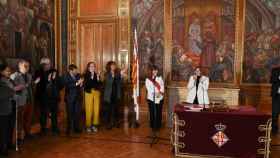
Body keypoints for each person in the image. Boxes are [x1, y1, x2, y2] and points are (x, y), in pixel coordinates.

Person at [0, 64, 23, 156]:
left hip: (12, 106)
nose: (9, 72)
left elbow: (17, 90)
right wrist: (14, 90)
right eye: (7, 71)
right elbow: (3, 94)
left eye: (9, 71)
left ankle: (8, 144)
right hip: (3, 108)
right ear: (1, 72)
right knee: (3, 130)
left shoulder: (11, 80)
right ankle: (2, 148)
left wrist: (18, 90)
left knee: (10, 127)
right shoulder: (1, 82)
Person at [10, 60, 33, 144]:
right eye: (25, 66)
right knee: (19, 120)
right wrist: (22, 87)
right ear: (20, 66)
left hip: (29, 100)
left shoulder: (29, 76)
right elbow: (12, 88)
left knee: (28, 118)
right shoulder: (14, 76)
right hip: (20, 101)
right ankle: (19, 137)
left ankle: (28, 133)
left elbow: (30, 87)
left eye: (28, 66)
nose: (27, 68)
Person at [103, 61, 124, 129]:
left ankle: (116, 123)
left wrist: (122, 77)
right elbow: (109, 82)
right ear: (109, 66)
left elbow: (120, 83)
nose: (113, 67)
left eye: (114, 65)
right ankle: (108, 124)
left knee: (116, 110)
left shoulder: (117, 73)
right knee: (108, 110)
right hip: (109, 95)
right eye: (112, 65)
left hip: (116, 94)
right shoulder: (106, 74)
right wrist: (115, 76)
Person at [34, 57, 52, 134]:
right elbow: (37, 84)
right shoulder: (38, 72)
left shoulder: (51, 72)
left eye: (49, 64)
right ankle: (43, 128)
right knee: (43, 113)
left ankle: (47, 127)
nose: (49, 65)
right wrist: (47, 80)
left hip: (50, 96)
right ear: (43, 65)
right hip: (41, 96)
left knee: (48, 112)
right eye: (48, 64)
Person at [64, 64, 83, 135]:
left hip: (77, 98)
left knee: (77, 114)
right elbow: (68, 85)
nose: (76, 71)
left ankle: (76, 128)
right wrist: (77, 83)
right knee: (69, 115)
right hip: (69, 99)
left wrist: (81, 84)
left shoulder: (78, 75)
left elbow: (81, 82)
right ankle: (68, 129)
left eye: (76, 70)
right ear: (70, 70)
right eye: (75, 70)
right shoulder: (66, 76)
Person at [145, 65, 164, 137]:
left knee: (159, 112)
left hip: (160, 98)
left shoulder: (160, 78)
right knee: (152, 112)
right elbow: (149, 89)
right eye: (154, 70)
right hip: (151, 98)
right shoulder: (148, 79)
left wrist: (160, 93)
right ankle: (153, 126)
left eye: (156, 70)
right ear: (151, 71)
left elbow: (162, 86)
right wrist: (156, 93)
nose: (155, 71)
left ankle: (158, 126)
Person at [84, 62, 102, 133]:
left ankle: (95, 125)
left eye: (94, 66)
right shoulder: (85, 75)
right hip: (89, 93)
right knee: (89, 109)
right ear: (88, 68)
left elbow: (99, 85)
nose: (92, 68)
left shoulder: (96, 74)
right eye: (91, 66)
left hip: (96, 93)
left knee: (96, 109)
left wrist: (98, 77)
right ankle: (88, 126)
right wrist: (91, 77)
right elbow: (87, 85)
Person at [45, 69, 63, 135]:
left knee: (55, 115)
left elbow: (61, 87)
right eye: (54, 73)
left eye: (56, 73)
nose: (55, 74)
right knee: (50, 114)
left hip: (56, 99)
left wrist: (56, 80)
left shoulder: (57, 79)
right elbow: (47, 88)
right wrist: (50, 80)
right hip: (49, 99)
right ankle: (51, 128)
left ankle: (55, 128)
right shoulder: (48, 80)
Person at [270, 66, 280, 134]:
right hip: (277, 95)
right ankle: (274, 130)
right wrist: (278, 78)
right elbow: (271, 80)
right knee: (274, 114)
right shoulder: (275, 70)